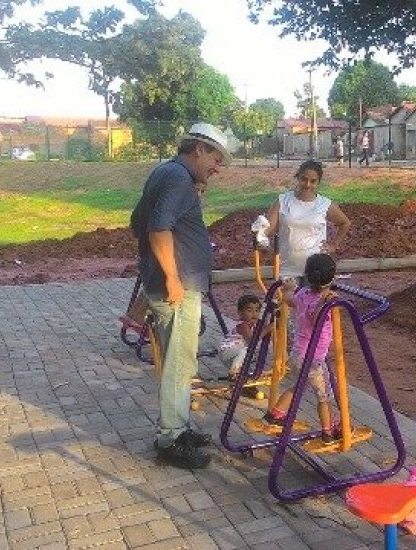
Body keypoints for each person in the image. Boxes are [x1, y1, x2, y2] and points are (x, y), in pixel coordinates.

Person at [130, 122, 229, 469]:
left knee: (183, 360)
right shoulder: (177, 178)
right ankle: (171, 437)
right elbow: (158, 228)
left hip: (176, 283)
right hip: (177, 286)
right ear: (199, 148)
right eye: (216, 159)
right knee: (177, 362)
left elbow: (136, 220)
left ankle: (180, 426)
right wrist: (172, 276)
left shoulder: (166, 172)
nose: (217, 168)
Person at [261, 253, 343, 444]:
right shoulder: (321, 300)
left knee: (297, 386)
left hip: (298, 354)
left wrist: (288, 288)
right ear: (332, 277)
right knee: (324, 397)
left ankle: (275, 414)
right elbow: (316, 319)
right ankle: (328, 431)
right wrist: (325, 301)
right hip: (313, 359)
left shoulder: (302, 294)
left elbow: (289, 299)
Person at [262, 159, 351, 280]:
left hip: (317, 271)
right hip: (287, 269)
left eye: (313, 181)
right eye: (304, 179)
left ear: (318, 182)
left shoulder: (324, 204)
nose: (307, 184)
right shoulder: (283, 201)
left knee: (314, 299)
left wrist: (334, 245)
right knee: (287, 299)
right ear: (298, 178)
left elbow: (345, 223)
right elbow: (268, 228)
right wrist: (260, 234)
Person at [217, 294, 272, 381]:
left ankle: (239, 375)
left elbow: (265, 322)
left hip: (235, 354)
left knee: (248, 356)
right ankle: (234, 373)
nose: (254, 314)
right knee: (246, 351)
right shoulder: (243, 325)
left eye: (257, 310)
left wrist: (271, 313)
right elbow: (252, 340)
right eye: (249, 310)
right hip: (227, 350)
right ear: (240, 313)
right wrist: (267, 329)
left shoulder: (253, 324)